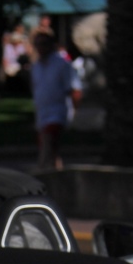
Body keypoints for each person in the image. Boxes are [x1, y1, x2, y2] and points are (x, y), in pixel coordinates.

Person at [29, 31, 82, 171]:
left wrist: (75, 113)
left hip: (57, 111)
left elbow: (74, 90)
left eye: (44, 44)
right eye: (38, 44)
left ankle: (41, 169)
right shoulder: (36, 67)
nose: (41, 48)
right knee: (52, 148)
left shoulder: (62, 64)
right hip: (42, 112)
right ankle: (56, 172)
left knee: (48, 139)